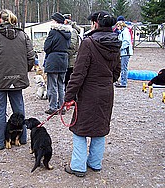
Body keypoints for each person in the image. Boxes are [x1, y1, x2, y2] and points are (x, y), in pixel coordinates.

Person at [64, 11, 121, 177]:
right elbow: (117, 71)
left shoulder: (88, 43)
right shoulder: (115, 42)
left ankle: (78, 166)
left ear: (96, 23)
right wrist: (105, 81)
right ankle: (95, 163)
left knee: (80, 129)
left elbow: (78, 73)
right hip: (106, 92)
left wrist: (69, 96)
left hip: (89, 93)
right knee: (100, 128)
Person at [0, 9, 35, 150]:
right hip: (17, 80)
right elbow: (31, 57)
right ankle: (22, 139)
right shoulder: (23, 35)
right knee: (19, 108)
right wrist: (23, 71)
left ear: (0, 20)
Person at [43, 12, 71, 115]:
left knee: (52, 85)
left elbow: (46, 47)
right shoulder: (68, 33)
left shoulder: (53, 32)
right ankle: (62, 107)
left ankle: (53, 107)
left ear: (55, 21)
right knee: (61, 84)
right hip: (64, 59)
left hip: (53, 59)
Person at [63, 14, 79, 91]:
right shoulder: (69, 30)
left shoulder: (72, 31)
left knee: (69, 82)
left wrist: (63, 52)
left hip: (71, 61)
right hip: (69, 60)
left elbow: (72, 45)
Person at [115, 21, 133, 88]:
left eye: (118, 26)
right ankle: (122, 81)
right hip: (123, 52)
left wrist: (120, 48)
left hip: (125, 52)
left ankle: (123, 82)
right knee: (122, 67)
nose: (117, 28)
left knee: (124, 68)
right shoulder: (122, 32)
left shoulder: (125, 32)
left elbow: (126, 42)